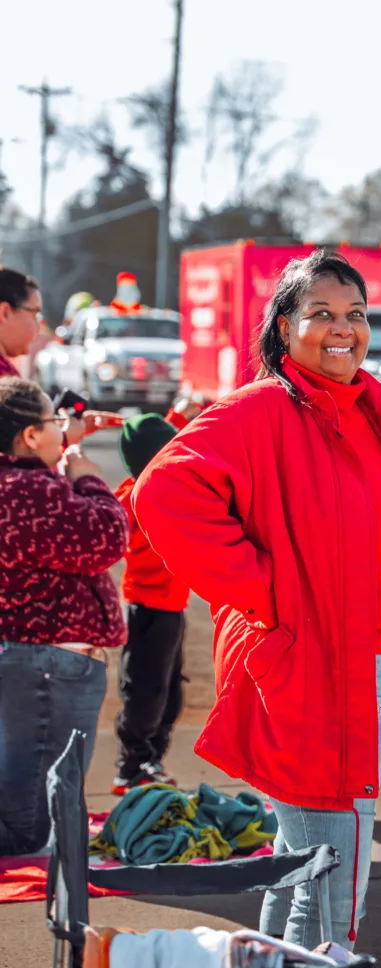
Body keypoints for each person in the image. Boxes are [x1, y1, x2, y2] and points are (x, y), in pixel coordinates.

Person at [132, 250, 381, 949]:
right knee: (332, 881)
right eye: (320, 313)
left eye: (355, 315)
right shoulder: (261, 410)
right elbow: (161, 493)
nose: (342, 328)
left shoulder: (369, 409)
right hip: (322, 668)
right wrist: (267, 589)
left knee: (306, 870)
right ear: (284, 326)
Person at [0, 378, 128, 855]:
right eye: (53, 423)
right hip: (47, 667)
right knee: (30, 824)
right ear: (31, 436)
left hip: (37, 662)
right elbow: (107, 537)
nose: (61, 431)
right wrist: (89, 477)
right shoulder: (29, 488)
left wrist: (67, 448)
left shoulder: (18, 482)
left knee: (35, 801)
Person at [111, 413, 191, 795]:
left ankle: (152, 758)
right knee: (145, 689)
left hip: (172, 608)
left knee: (170, 690)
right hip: (146, 608)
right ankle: (132, 765)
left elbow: (160, 441)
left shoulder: (166, 483)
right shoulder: (132, 495)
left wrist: (177, 416)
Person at [0, 266, 122, 443]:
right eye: (35, 315)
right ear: (5, 313)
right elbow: (17, 452)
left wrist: (58, 428)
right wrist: (62, 438)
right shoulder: (4, 380)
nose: (39, 326)